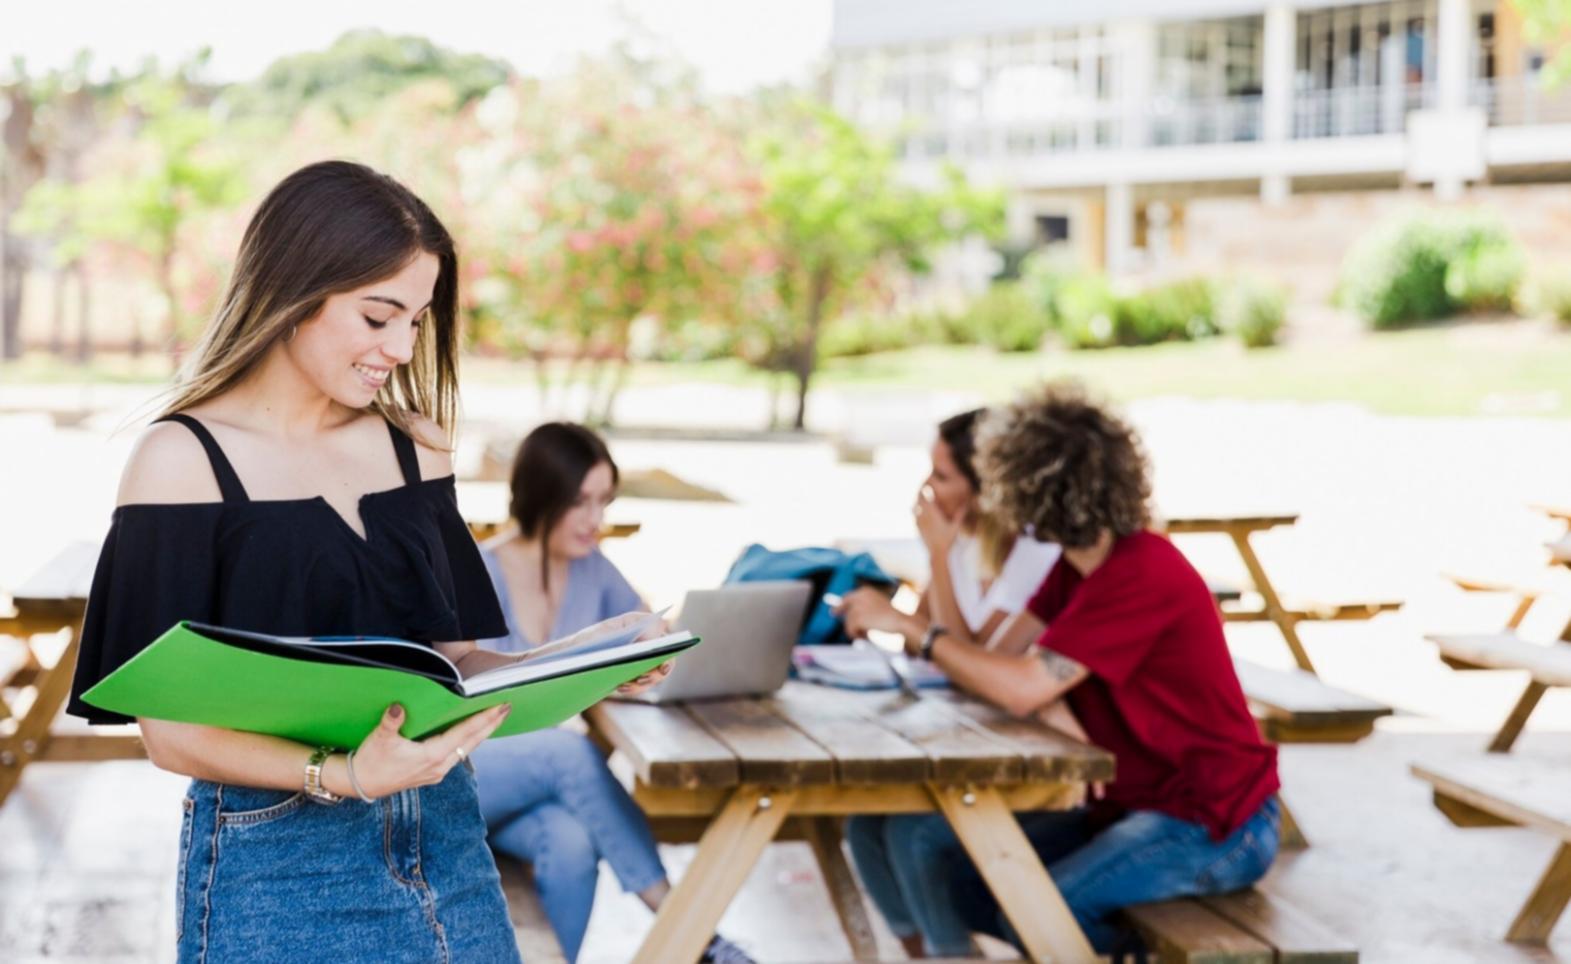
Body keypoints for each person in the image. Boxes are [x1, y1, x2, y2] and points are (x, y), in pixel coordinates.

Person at [64, 160, 668, 963]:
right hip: (276, 869)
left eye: (417, 321)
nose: (401, 347)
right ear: (293, 291)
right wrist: (346, 774)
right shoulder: (181, 461)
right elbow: (169, 731)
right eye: (379, 316)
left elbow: (451, 665)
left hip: (448, 844)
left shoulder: (416, 447)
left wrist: (588, 659)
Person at [845, 383, 1281, 958]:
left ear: (1027, 492)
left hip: (1211, 823)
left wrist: (915, 631)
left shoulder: (1141, 573)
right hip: (1127, 803)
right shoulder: (1075, 569)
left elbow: (1020, 686)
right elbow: (1000, 663)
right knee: (929, 846)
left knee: (1039, 910)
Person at [470, 422, 753, 964]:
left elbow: (645, 631)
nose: (596, 520)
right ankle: (686, 927)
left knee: (573, 841)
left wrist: (649, 656)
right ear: (540, 496)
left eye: (604, 501)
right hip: (469, 770)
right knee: (569, 752)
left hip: (532, 785)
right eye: (580, 502)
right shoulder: (481, 572)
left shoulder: (594, 569)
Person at [835, 408, 1061, 650]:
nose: (926, 485)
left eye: (941, 476)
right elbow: (914, 647)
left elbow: (970, 663)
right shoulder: (962, 538)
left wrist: (939, 556)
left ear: (985, 491)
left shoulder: (1035, 551)